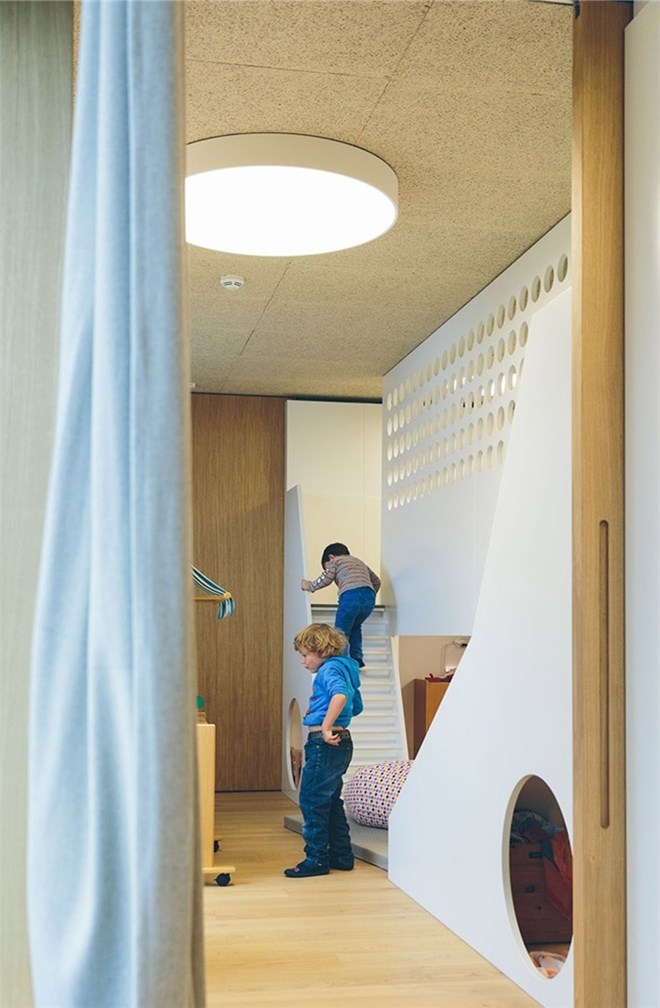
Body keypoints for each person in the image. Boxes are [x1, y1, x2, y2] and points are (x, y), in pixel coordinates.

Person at [283, 623, 363, 878]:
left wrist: (326, 725)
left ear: (323, 651)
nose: (303, 661)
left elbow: (340, 697)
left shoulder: (328, 669)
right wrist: (319, 709)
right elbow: (355, 706)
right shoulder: (347, 668)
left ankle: (316, 859)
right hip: (342, 742)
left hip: (324, 743)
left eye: (305, 655)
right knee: (330, 801)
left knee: (311, 801)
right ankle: (342, 855)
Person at [301, 543, 381, 668]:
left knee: (340, 631)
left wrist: (310, 586)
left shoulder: (335, 561)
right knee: (356, 626)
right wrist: (368, 595)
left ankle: (341, 660)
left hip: (350, 597)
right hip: (369, 599)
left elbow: (326, 578)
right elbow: (377, 581)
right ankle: (356, 657)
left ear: (330, 557)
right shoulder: (359, 562)